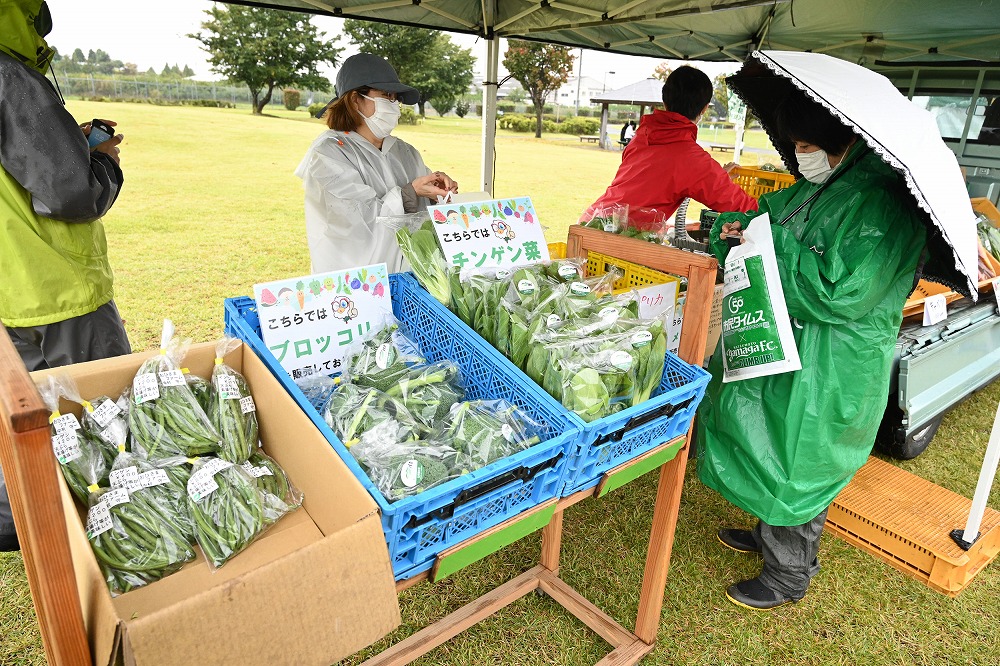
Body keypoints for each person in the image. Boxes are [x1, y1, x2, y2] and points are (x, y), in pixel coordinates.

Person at [696, 93, 927, 610]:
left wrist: (773, 241)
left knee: (801, 456)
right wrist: (736, 231)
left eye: (807, 145)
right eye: (796, 145)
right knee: (770, 440)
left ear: (841, 141)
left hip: (833, 360)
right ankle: (768, 531)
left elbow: (839, 293)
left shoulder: (883, 203)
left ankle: (787, 575)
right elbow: (767, 218)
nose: (801, 156)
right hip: (789, 343)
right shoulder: (820, 186)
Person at [0, 0, 129, 553]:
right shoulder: (9, 74)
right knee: (105, 412)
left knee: (20, 423)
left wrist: (66, 140)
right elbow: (70, 191)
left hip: (11, 290)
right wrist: (101, 158)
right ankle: (116, 524)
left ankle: (19, 526)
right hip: (55, 290)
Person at [297, 53, 458, 273]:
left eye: (396, 98)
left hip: (410, 283)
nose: (395, 105)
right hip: (358, 287)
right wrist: (409, 194)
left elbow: (425, 216)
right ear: (355, 100)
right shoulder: (329, 153)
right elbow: (353, 223)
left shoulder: (405, 152)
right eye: (387, 95)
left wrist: (438, 192)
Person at [580, 66, 757, 224]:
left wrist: (715, 177)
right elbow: (744, 208)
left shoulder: (641, 137)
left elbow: (659, 177)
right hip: (622, 236)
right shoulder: (692, 159)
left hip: (593, 220)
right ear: (704, 109)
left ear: (664, 102)